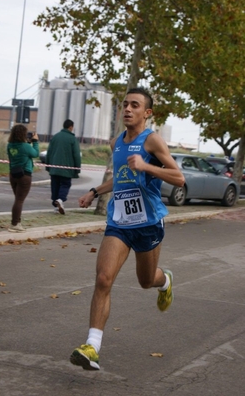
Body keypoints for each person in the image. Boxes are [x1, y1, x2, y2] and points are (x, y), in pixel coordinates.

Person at [70, 87, 185, 371]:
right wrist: (94, 191)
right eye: (125, 104)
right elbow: (121, 179)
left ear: (147, 113)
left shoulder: (153, 140)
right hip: (119, 222)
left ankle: (165, 281)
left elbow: (179, 178)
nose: (128, 109)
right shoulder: (116, 143)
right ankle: (92, 347)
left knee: (146, 281)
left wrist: (147, 166)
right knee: (103, 278)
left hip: (148, 224)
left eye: (135, 105)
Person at [7, 124, 39, 232]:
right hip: (24, 175)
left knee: (18, 199)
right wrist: (35, 142)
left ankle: (17, 222)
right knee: (19, 200)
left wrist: (28, 143)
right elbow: (35, 154)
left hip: (13, 174)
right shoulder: (25, 147)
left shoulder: (10, 145)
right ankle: (14, 224)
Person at [45, 119, 81, 214]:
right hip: (67, 168)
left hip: (54, 168)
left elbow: (49, 152)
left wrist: (48, 165)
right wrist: (77, 168)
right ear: (71, 127)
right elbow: (76, 155)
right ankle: (60, 200)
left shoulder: (55, 137)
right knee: (65, 184)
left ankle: (56, 206)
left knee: (55, 185)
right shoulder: (72, 139)